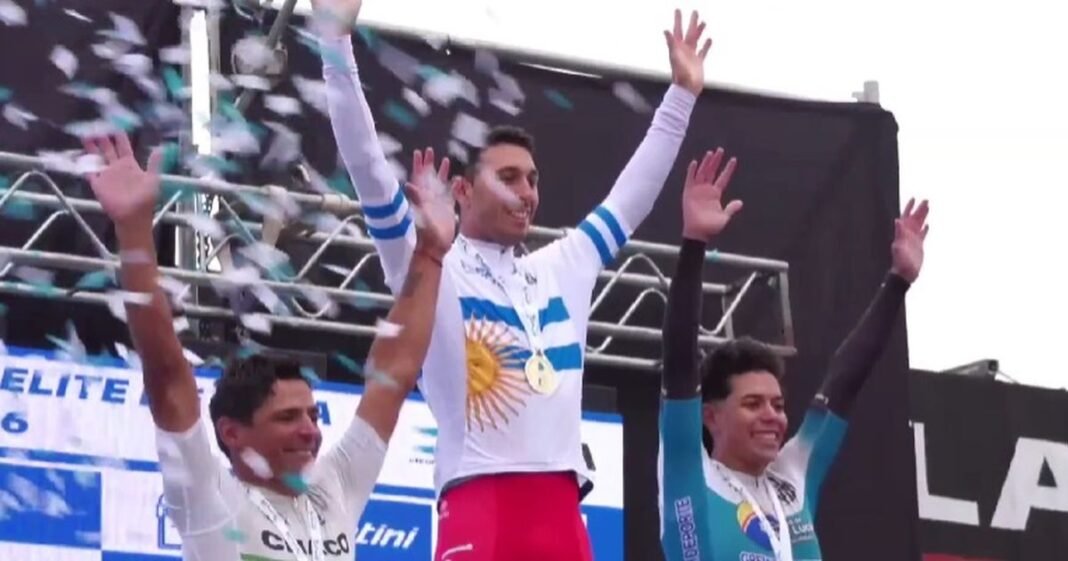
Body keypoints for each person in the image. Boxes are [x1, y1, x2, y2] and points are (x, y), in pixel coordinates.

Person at [312, 0, 714, 557]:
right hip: (481, 507)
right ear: (462, 190)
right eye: (509, 177)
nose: (527, 193)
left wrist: (682, 95)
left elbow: (631, 197)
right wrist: (335, 45)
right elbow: (367, 166)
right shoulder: (428, 260)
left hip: (564, 515)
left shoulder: (563, 266)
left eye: (532, 179)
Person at [81, 131, 455, 561]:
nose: (310, 431)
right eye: (287, 417)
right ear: (232, 433)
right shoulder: (208, 498)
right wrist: (133, 231)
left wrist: (430, 253)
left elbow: (395, 373)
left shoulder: (333, 488)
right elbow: (167, 376)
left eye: (312, 415)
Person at [657, 148, 929, 561]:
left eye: (778, 405)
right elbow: (679, 361)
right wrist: (694, 244)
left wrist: (899, 281)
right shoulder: (690, 472)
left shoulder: (792, 480)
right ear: (710, 416)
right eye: (752, 404)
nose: (772, 416)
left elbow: (843, 383)